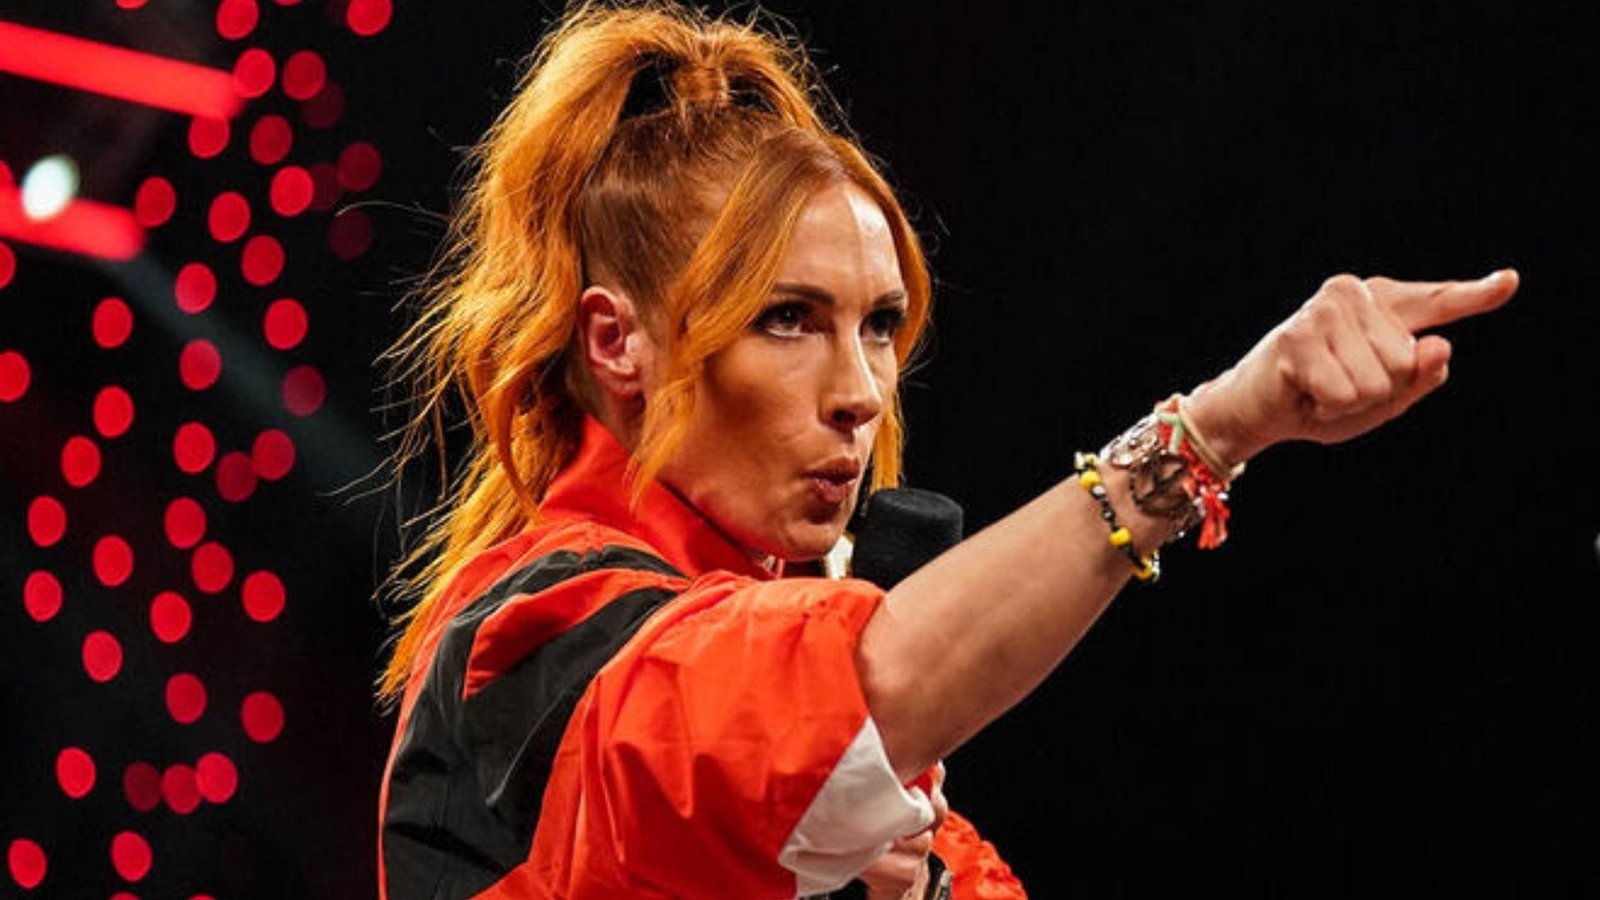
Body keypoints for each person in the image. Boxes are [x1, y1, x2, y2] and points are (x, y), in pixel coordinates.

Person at [371, 2, 1519, 898]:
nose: (861, 394)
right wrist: (1213, 430)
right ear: (616, 342)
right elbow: (820, 695)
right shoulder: (527, 644)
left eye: (879, 325)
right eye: (786, 319)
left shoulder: (859, 781)